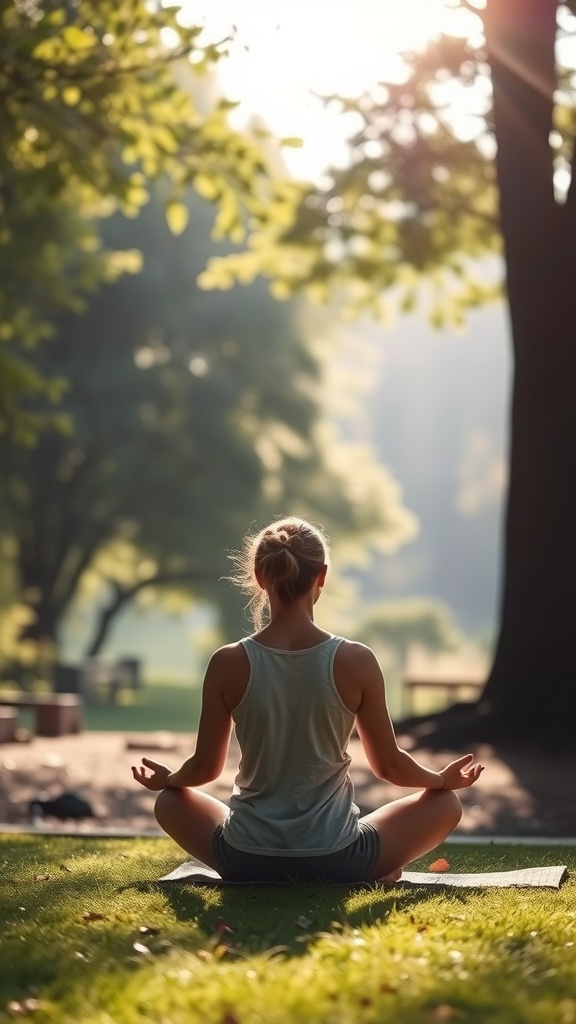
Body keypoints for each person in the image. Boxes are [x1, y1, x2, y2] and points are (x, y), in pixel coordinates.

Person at [132, 516, 484, 883]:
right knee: (446, 805)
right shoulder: (356, 660)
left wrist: (169, 779)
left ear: (259, 576)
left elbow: (205, 768)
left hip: (245, 858)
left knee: (170, 800)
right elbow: (390, 767)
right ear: (322, 576)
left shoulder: (228, 661)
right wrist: (441, 782)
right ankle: (372, 869)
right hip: (338, 860)